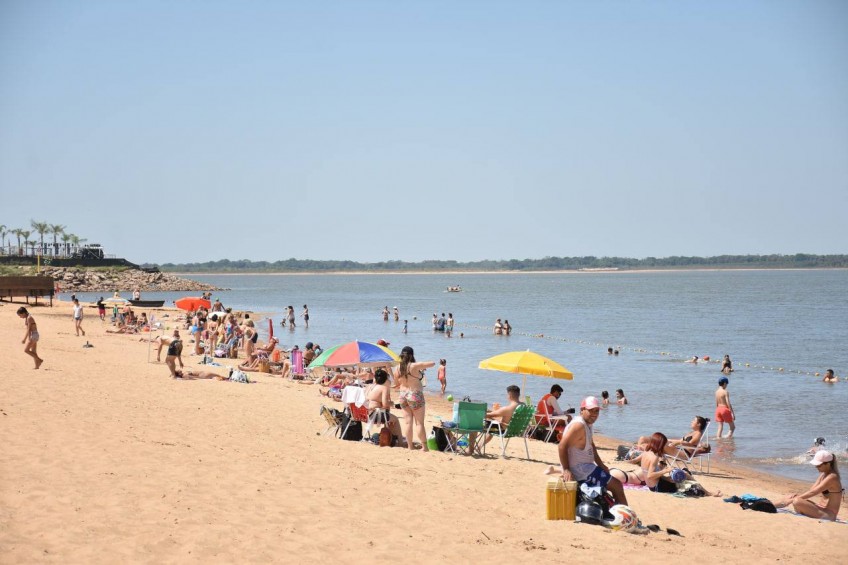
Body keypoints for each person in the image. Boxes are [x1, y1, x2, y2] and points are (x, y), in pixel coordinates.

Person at [556, 396, 628, 505]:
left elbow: (591, 445)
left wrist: (601, 465)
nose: (594, 414)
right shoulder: (579, 425)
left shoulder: (587, 424)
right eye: (591, 410)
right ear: (582, 410)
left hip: (587, 467)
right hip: (581, 470)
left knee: (613, 487)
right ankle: (624, 514)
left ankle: (617, 511)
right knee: (617, 486)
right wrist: (566, 469)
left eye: (596, 411)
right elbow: (562, 446)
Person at [776, 450, 842, 520]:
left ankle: (772, 506)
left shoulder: (832, 477)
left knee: (796, 501)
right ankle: (771, 505)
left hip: (829, 514)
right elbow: (811, 490)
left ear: (828, 464)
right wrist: (795, 497)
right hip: (820, 508)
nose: (816, 467)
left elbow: (813, 492)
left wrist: (791, 501)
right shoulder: (823, 474)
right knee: (792, 497)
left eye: (818, 465)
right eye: (816, 465)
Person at [394, 346, 435, 452]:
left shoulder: (397, 368)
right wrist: (420, 367)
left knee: (408, 423)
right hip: (415, 395)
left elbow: (396, 383)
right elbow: (432, 363)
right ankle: (424, 447)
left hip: (403, 395)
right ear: (411, 355)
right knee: (419, 423)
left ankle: (410, 446)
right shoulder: (414, 366)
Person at [468, 385, 523, 455]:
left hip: (502, 430)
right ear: (519, 394)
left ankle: (470, 450)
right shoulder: (523, 406)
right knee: (491, 427)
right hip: (514, 430)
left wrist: (477, 412)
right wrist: (496, 413)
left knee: (474, 424)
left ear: (510, 395)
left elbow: (487, 415)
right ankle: (478, 446)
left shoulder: (508, 408)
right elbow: (505, 418)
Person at [366, 368, 404, 442]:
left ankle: (391, 438)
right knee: (395, 419)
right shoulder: (383, 388)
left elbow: (372, 399)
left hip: (367, 414)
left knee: (389, 417)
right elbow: (385, 404)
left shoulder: (371, 386)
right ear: (385, 379)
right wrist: (392, 404)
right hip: (375, 415)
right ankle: (400, 441)